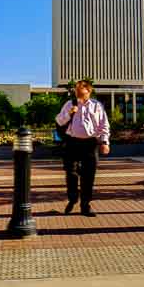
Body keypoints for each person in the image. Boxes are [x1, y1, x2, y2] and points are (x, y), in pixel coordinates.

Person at [54, 79, 110, 216]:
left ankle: (86, 205)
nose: (78, 93)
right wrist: (69, 114)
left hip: (90, 144)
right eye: (76, 90)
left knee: (88, 176)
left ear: (89, 91)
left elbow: (104, 125)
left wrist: (105, 142)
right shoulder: (69, 104)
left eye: (80, 90)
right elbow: (58, 121)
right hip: (72, 143)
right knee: (71, 173)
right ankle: (73, 199)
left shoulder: (97, 106)